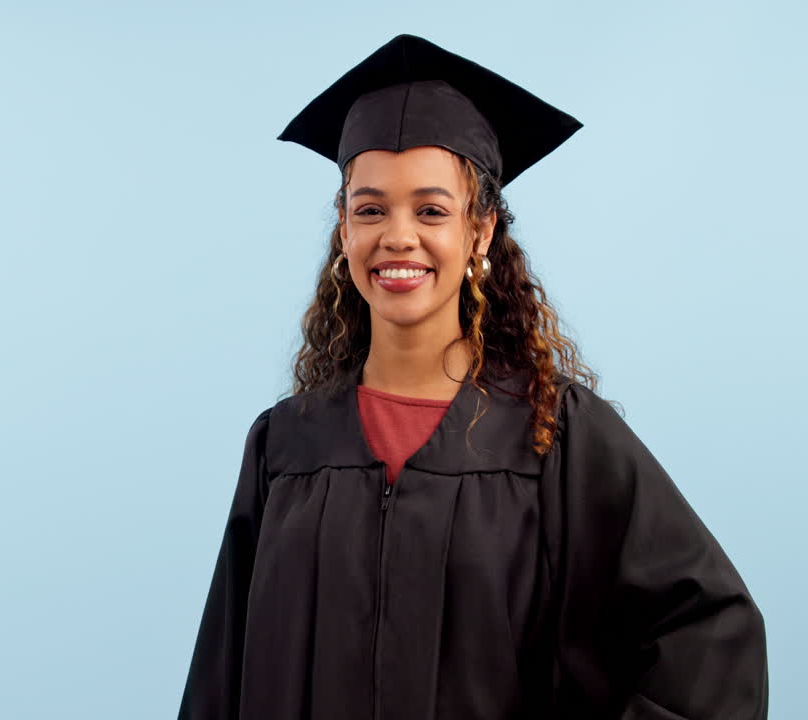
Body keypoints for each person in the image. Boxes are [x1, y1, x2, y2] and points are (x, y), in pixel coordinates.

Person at [176, 33, 768, 720]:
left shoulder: (553, 435)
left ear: (481, 230)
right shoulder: (285, 445)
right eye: (370, 209)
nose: (398, 236)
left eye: (431, 210)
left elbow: (710, 631)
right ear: (343, 228)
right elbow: (221, 678)